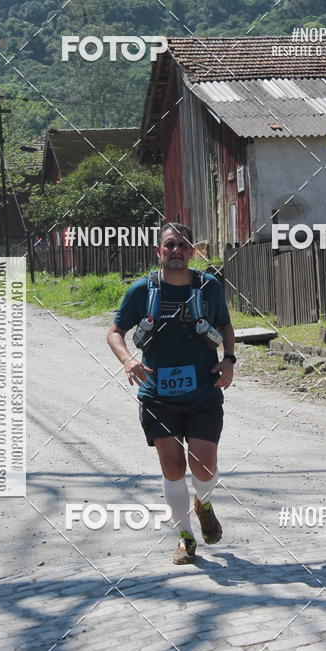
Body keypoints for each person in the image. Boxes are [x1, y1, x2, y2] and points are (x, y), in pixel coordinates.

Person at [107, 223, 236, 564]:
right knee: (174, 469)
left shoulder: (207, 286)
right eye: (170, 245)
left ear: (192, 251)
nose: (176, 250)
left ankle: (203, 502)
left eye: (183, 245)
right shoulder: (142, 289)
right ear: (159, 251)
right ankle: (185, 538)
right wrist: (128, 360)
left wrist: (229, 361)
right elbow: (115, 331)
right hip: (157, 396)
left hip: (204, 392)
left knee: (204, 469)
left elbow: (224, 325)